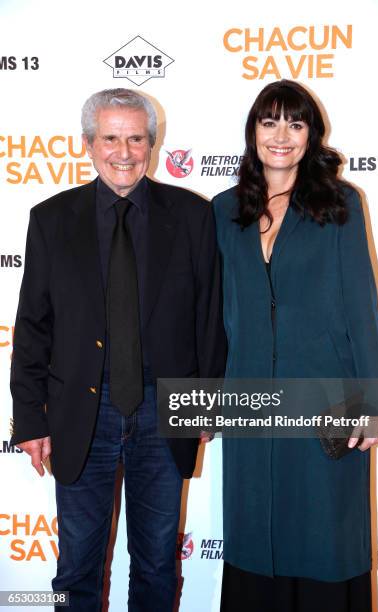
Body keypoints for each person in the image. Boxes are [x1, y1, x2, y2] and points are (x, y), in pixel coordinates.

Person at [10, 88, 226, 611]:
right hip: (81, 411)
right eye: (110, 138)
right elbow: (33, 326)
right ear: (88, 144)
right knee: (78, 564)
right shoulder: (51, 219)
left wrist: (207, 402)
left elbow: (210, 319)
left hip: (165, 407)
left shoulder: (193, 216)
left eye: (135, 138)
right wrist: (30, 420)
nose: (123, 151)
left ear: (152, 144)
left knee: (155, 563)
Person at [213, 80, 378, 612]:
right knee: (255, 533)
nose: (281, 135)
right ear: (253, 131)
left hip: (328, 403)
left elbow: (362, 310)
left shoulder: (340, 204)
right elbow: (212, 318)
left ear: (311, 135)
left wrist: (376, 401)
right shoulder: (224, 212)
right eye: (269, 121)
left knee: (326, 539)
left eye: (295, 123)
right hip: (251, 405)